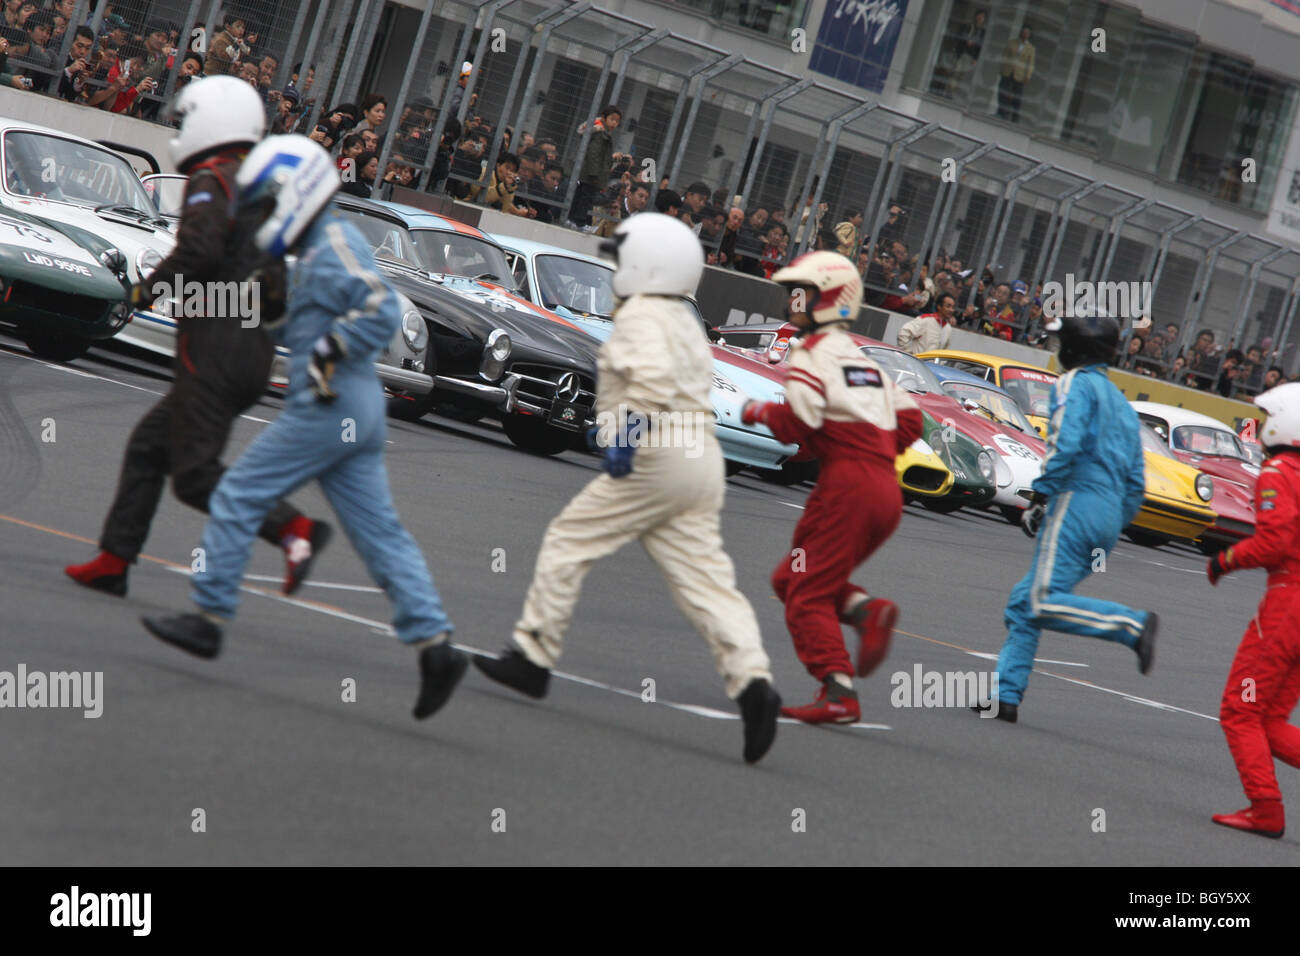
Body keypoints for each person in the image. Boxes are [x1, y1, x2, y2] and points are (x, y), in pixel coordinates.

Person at [141, 134, 468, 721]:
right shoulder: (320, 246)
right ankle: (436, 647)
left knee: (239, 492)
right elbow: (295, 318)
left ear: (296, 192)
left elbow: (379, 309)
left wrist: (327, 352)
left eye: (268, 198)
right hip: (353, 406)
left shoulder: (333, 244)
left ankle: (207, 619)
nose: (261, 211)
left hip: (332, 403)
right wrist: (250, 307)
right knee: (380, 534)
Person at [473, 213, 782, 764]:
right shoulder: (681, 319)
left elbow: (649, 384)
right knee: (704, 579)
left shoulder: (642, 314)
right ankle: (755, 684)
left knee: (570, 539)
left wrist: (624, 438)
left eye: (623, 257)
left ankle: (533, 655)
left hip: (657, 451)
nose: (616, 267)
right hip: (699, 454)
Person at [65, 78, 329, 599]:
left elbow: (199, 253)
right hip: (249, 348)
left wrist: (142, 293)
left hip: (215, 350)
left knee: (193, 475)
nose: (181, 130)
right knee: (148, 446)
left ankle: (293, 530)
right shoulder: (258, 188)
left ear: (213, 122)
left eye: (187, 119)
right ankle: (114, 559)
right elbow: (272, 283)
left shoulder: (212, 179)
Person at [741, 252, 922, 724]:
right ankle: (866, 612)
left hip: (848, 486)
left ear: (829, 298)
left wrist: (760, 413)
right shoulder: (861, 358)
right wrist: (869, 450)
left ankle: (838, 689)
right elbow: (911, 420)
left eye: (802, 292)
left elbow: (799, 421)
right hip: (881, 489)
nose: (793, 301)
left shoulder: (809, 352)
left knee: (806, 593)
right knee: (790, 577)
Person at [978, 314, 1158, 722]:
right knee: (1025, 602)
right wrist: (1111, 517)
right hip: (1110, 513)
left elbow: (1064, 446)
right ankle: (1003, 696)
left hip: (1076, 503)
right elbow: (1136, 484)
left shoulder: (1073, 384)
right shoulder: (1121, 404)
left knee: (1040, 601)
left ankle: (1130, 626)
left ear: (1077, 349)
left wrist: (1040, 496)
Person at [1206, 383, 1300, 838]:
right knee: (1270, 719)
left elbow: (1273, 542)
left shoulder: (1279, 472)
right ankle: (1265, 808)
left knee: (1240, 710)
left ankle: (1265, 809)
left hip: (1288, 605)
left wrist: (1225, 559)